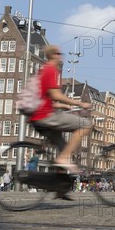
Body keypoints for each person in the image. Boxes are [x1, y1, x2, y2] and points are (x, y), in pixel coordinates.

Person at [29, 45, 93, 173]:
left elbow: (43, 99)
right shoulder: (51, 70)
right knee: (86, 124)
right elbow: (56, 95)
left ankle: (59, 188)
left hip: (37, 118)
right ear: (53, 55)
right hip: (46, 117)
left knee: (63, 151)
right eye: (59, 53)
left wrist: (60, 105)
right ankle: (62, 160)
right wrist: (79, 103)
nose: (61, 56)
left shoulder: (42, 71)